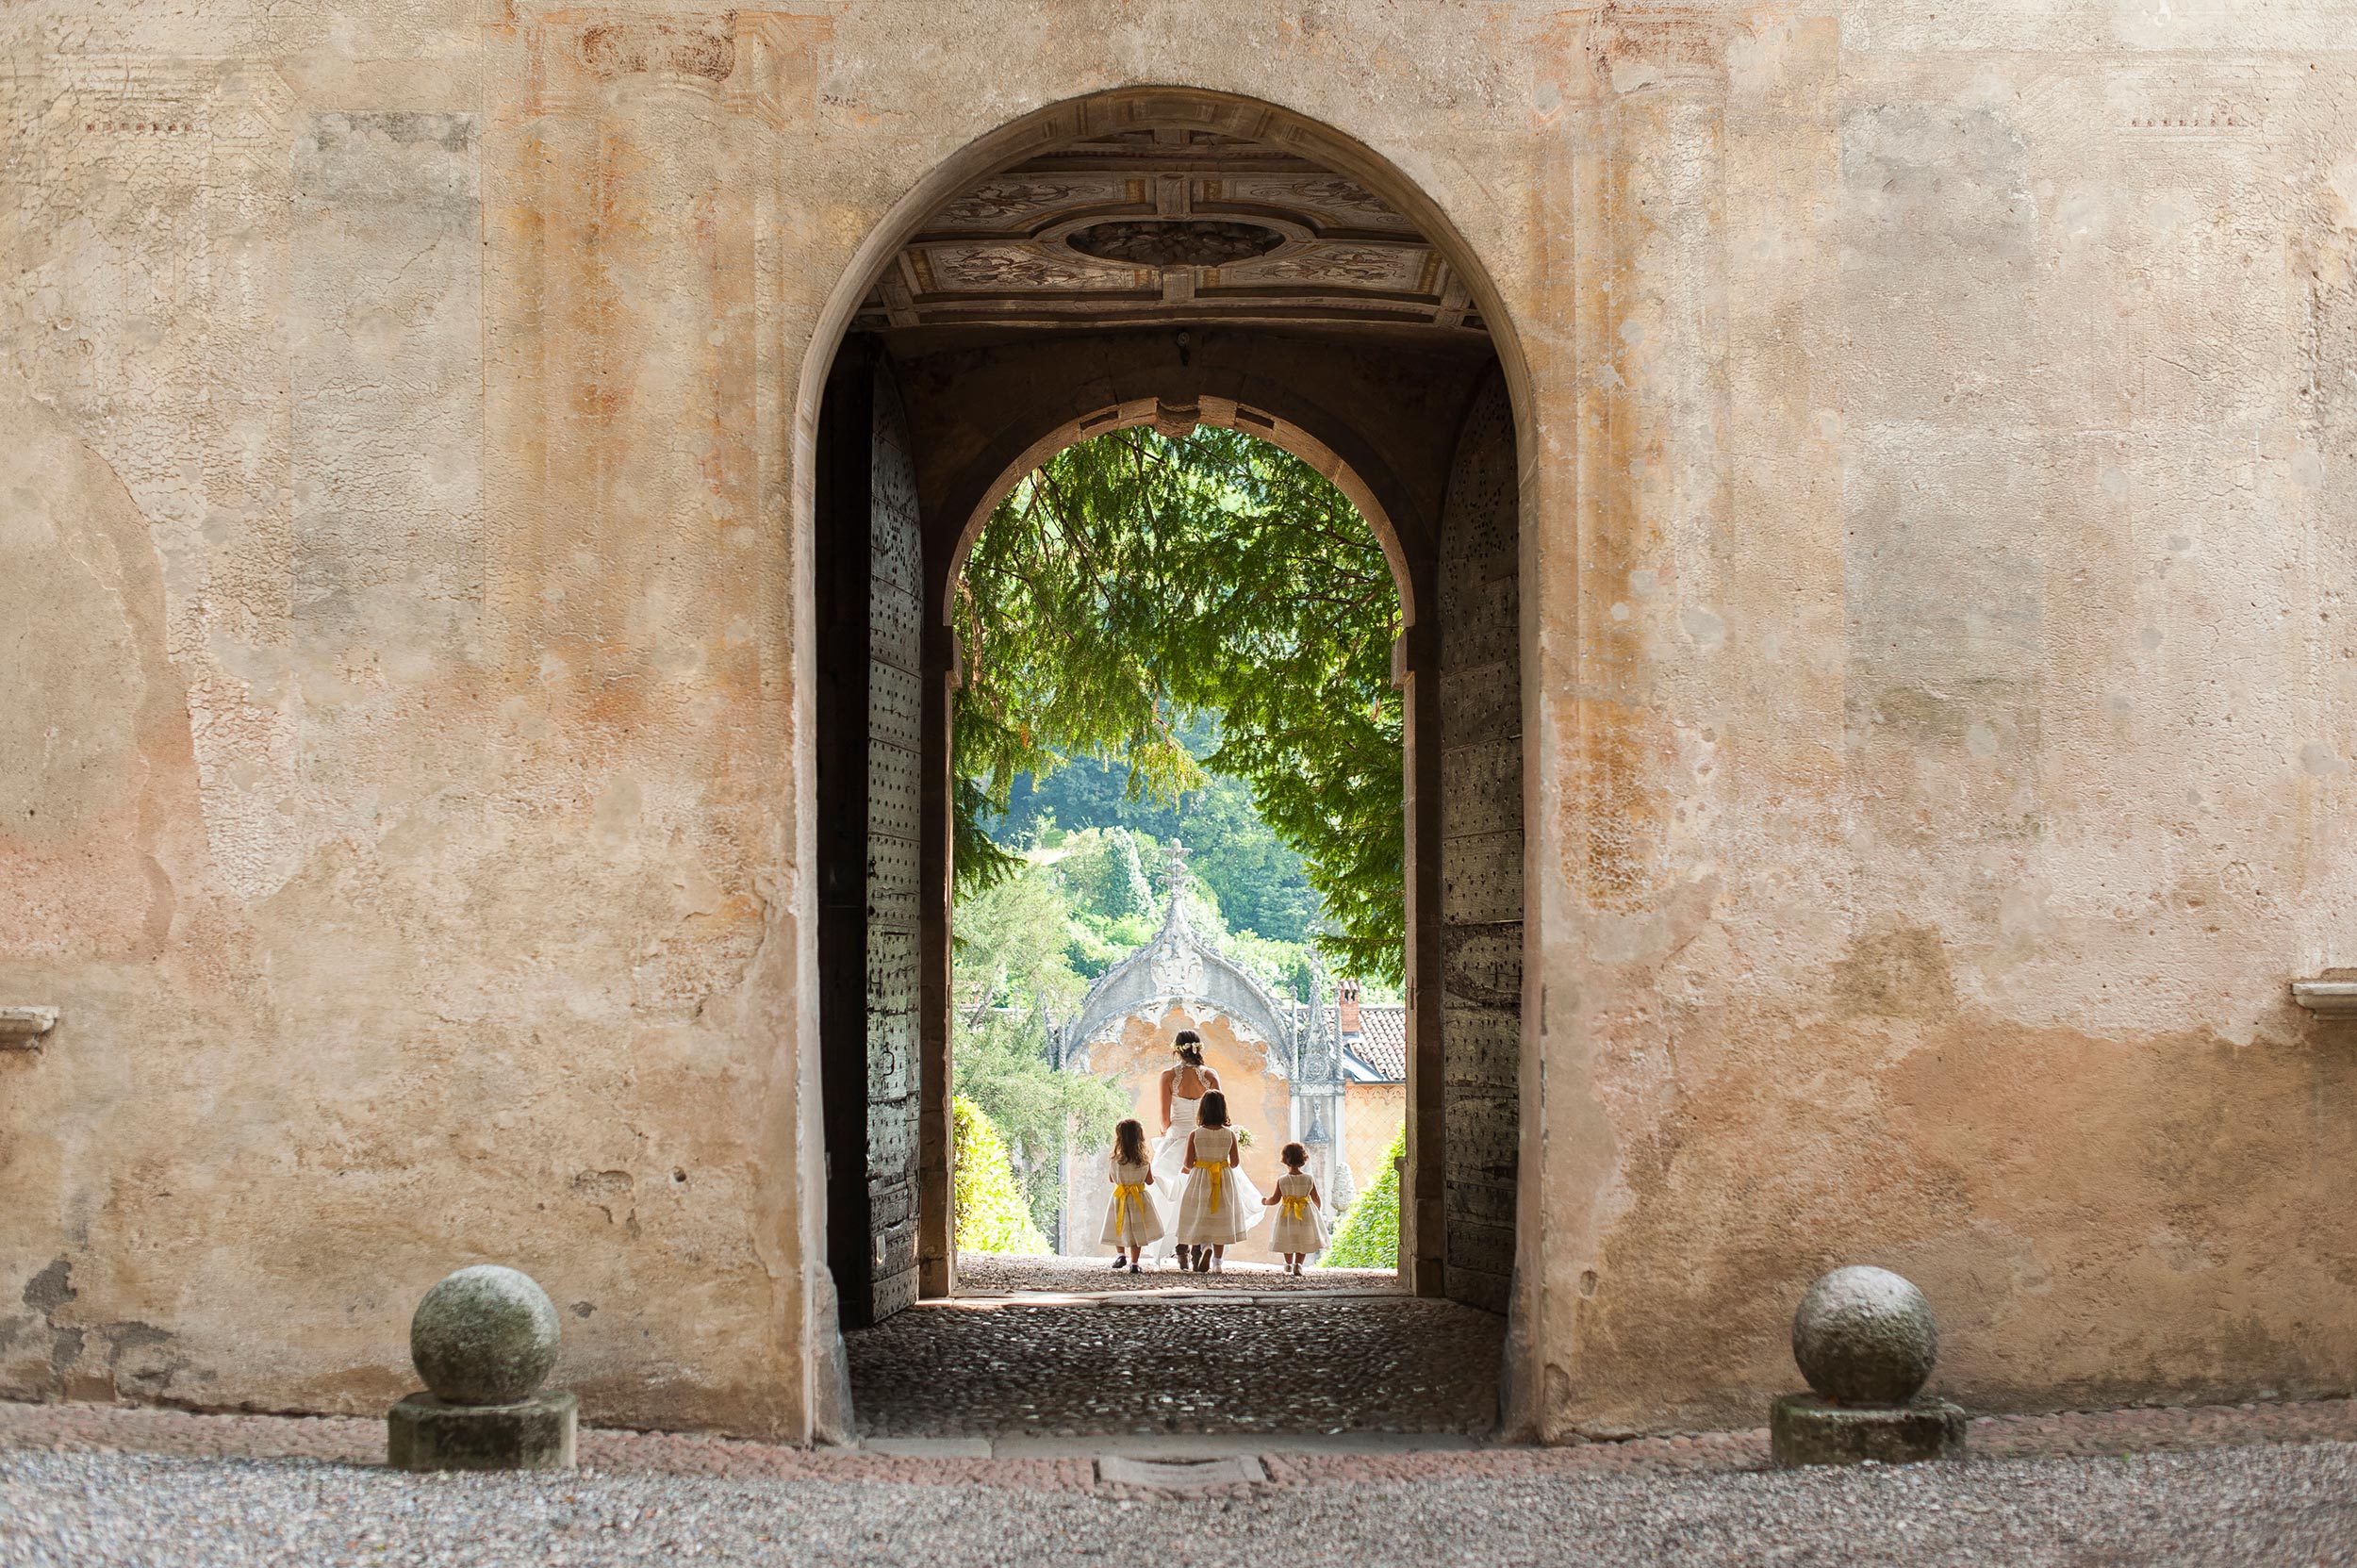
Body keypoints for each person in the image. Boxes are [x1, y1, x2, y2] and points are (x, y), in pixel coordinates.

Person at [1150, 1032, 1220, 1269]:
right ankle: (1200, 1246)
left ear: (1176, 1050)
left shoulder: (1167, 1076)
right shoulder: (1210, 1075)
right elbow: (1219, 1114)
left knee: (1177, 1197)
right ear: (1198, 1049)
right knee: (1205, 1196)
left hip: (1177, 1137)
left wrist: (1167, 1136)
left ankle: (1181, 1249)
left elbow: (1163, 1119)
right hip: (1204, 1139)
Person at [1176, 1090, 1251, 1272]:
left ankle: (1203, 1247)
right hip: (1223, 1179)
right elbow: (1235, 1163)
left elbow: (1188, 1163)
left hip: (1200, 1178)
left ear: (1202, 1110)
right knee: (1220, 1218)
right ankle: (1217, 1262)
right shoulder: (1230, 1135)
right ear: (1223, 1110)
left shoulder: (1195, 1134)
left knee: (1200, 1214)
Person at [1097, 1118, 1162, 1273]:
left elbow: (1111, 1179)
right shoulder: (1143, 1161)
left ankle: (1120, 1254)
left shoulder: (1115, 1160)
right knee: (1136, 1232)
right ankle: (1134, 1263)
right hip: (1138, 1198)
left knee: (1118, 1227)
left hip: (1120, 1197)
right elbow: (1150, 1181)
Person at [1261, 1141, 1327, 1276]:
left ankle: (1288, 1264)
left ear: (1285, 1160)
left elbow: (1275, 1199)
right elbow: (1316, 1198)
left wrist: (1265, 1201)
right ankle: (1298, 1264)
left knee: (1288, 1238)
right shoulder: (1309, 1178)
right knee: (1302, 1239)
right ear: (1304, 1159)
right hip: (1305, 1213)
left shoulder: (1282, 1180)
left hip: (1287, 1214)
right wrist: (1317, 1212)